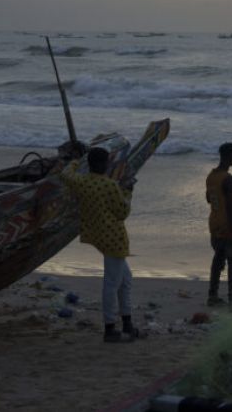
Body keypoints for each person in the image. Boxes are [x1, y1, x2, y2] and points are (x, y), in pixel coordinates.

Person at [59, 145, 139, 343]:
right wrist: (128, 192)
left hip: (98, 236)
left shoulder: (81, 182)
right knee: (112, 284)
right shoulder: (110, 185)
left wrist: (77, 160)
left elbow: (65, 173)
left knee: (125, 280)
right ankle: (110, 328)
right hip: (115, 239)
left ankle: (128, 323)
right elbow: (123, 213)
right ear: (105, 164)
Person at [206, 142, 232, 308]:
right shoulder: (228, 180)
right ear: (229, 156)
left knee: (218, 260)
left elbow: (209, 198)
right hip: (228, 227)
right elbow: (230, 208)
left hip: (214, 225)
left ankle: (213, 296)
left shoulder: (212, 177)